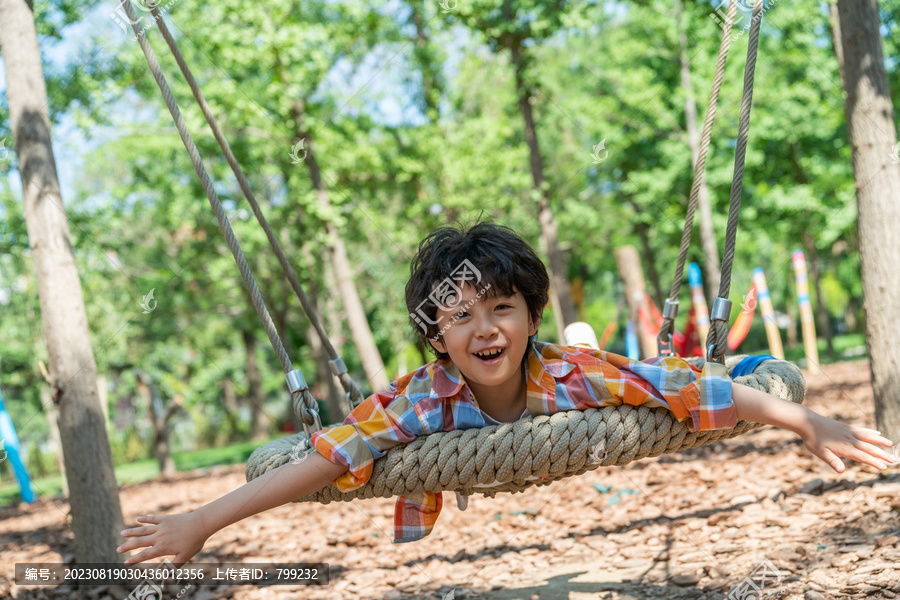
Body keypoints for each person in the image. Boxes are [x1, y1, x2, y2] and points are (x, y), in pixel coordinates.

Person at [117, 221, 895, 566]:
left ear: (529, 316)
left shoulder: (570, 372)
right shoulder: (418, 401)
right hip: (464, 424)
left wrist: (806, 419)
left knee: (719, 373)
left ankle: (755, 351)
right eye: (459, 315)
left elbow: (688, 389)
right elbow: (326, 457)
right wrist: (203, 521)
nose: (483, 328)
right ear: (436, 337)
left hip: (594, 385)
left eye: (501, 309)